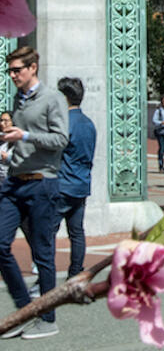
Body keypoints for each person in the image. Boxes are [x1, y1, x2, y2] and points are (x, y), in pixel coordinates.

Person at [0, 46, 68, 339]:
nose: (12, 75)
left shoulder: (53, 98)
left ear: (32, 68)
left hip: (42, 182)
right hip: (14, 182)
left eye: (17, 70)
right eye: (10, 71)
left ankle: (47, 318)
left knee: (43, 254)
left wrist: (24, 135)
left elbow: (61, 138)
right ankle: (25, 309)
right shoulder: (19, 99)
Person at [52, 78, 96, 280]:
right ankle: (75, 271)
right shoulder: (89, 124)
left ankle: (46, 273)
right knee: (77, 232)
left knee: (48, 232)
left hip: (62, 184)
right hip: (81, 183)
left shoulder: (64, 123)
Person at [0, 111, 13, 183]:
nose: (2, 123)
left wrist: (8, 158)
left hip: (13, 182)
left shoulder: (19, 140)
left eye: (6, 121)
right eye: (1, 120)